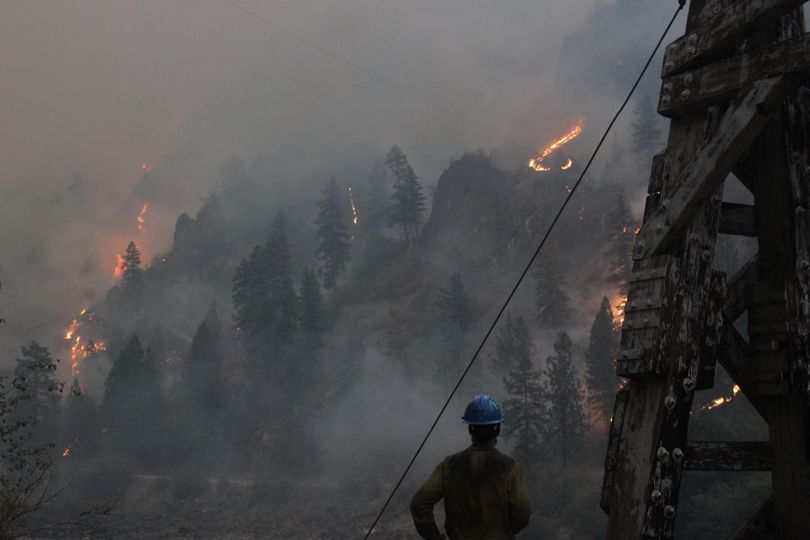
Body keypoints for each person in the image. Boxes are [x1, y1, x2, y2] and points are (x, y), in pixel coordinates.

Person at [410, 395, 531, 540]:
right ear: (497, 428)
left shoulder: (449, 465)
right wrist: (510, 529)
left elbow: (419, 503)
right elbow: (523, 511)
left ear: (470, 429)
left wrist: (434, 537)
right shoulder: (510, 467)